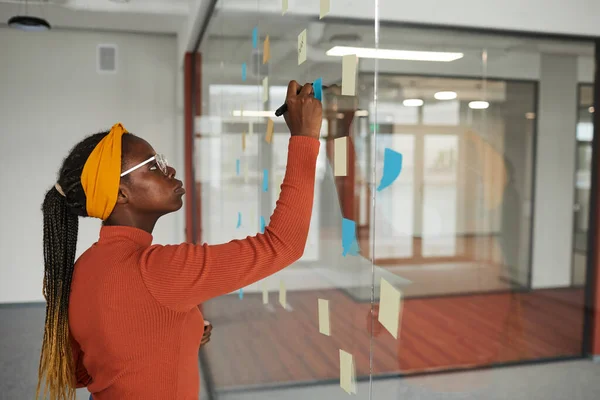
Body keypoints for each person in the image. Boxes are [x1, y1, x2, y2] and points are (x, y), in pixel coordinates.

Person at [36, 80, 322, 400]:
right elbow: (284, 244)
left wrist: (172, 335)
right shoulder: (158, 270)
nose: (168, 168)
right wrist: (304, 137)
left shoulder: (84, 268)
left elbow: (82, 372)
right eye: (153, 165)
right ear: (121, 194)